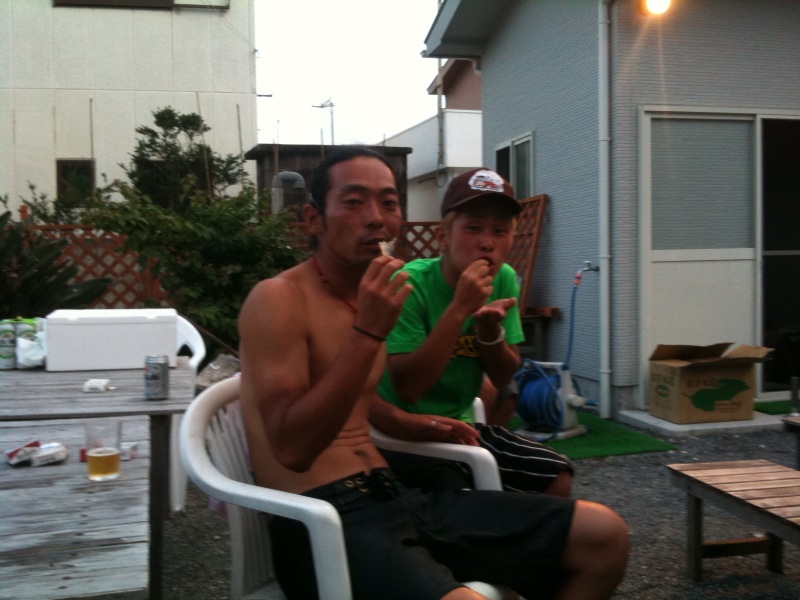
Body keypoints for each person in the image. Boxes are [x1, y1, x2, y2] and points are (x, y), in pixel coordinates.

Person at [238, 146, 628, 600]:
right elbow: (293, 449)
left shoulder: (373, 295)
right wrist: (368, 333)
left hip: (394, 494)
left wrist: (404, 422)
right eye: (354, 202)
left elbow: (360, 397)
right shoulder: (278, 299)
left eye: (388, 203)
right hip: (322, 518)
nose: (375, 218)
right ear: (313, 219)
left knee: (603, 535)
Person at [373, 167, 574, 497]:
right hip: (401, 432)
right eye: (473, 228)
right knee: (461, 498)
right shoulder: (410, 284)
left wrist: (489, 332)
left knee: (557, 476)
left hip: (461, 425)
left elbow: (503, 376)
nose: (487, 243)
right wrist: (459, 309)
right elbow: (408, 389)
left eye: (500, 231)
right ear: (443, 238)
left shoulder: (503, 279)